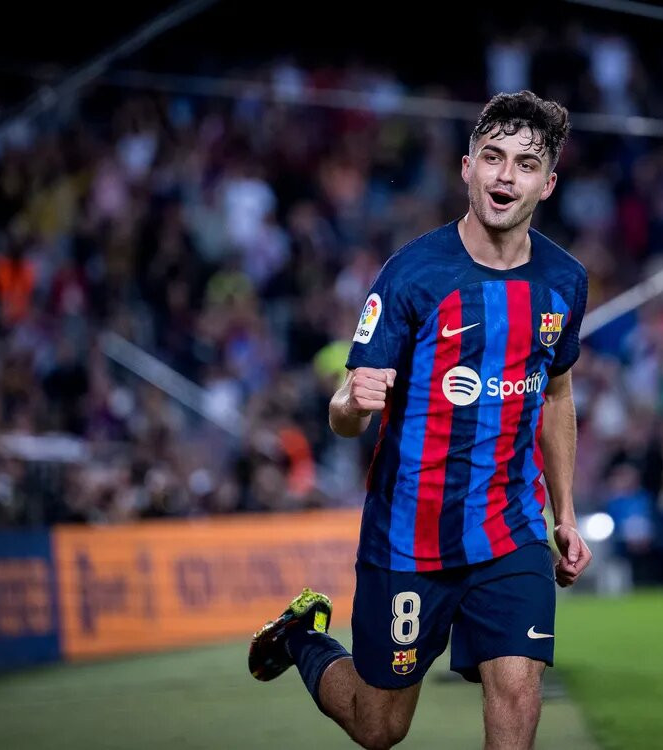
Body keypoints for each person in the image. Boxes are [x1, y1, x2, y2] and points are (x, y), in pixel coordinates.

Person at [248, 90, 592, 750]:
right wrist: (351, 402)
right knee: (380, 727)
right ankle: (301, 637)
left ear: (547, 183)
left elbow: (556, 395)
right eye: (492, 157)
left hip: (510, 529)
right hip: (408, 535)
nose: (503, 176)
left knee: (519, 689)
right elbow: (345, 416)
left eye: (524, 164)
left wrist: (566, 514)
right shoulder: (411, 275)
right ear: (466, 167)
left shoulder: (565, 282)